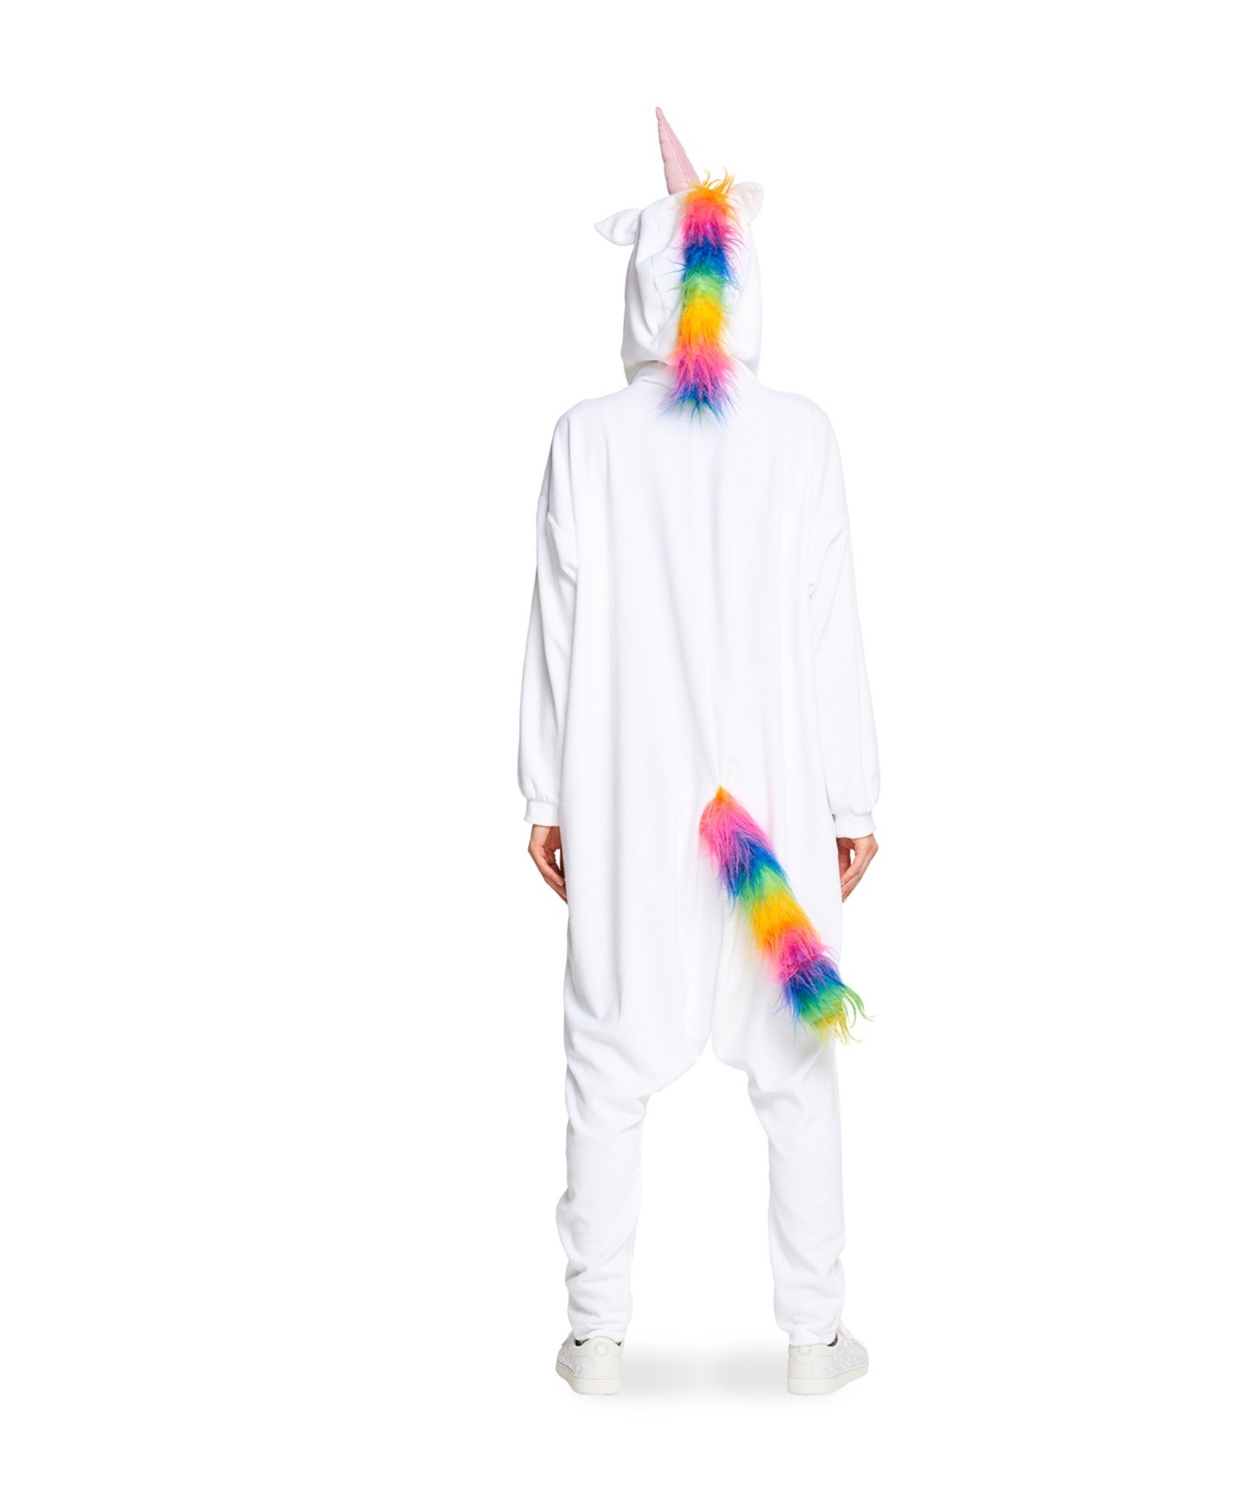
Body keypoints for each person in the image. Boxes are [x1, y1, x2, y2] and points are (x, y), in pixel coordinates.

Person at [517, 110, 881, 1397]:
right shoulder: (802, 436)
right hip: (769, 807)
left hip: (629, 801)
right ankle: (814, 1338)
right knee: (797, 1066)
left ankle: (597, 1337)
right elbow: (830, 632)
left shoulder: (586, 440)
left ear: (646, 281)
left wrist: (548, 791)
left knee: (607, 1061)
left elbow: (556, 629)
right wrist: (849, 799)